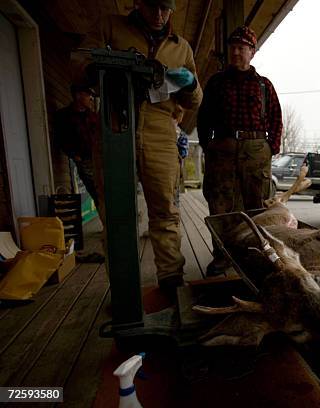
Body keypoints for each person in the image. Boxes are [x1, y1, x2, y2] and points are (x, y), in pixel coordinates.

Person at [80, 0, 203, 291]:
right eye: (152, 7)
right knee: (117, 211)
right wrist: (107, 66)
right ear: (138, 3)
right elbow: (78, 67)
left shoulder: (181, 47)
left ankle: (171, 281)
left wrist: (190, 85)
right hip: (114, 125)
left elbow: (194, 100)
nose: (158, 15)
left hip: (160, 130)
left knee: (166, 210)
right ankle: (124, 290)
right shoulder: (110, 27)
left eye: (165, 8)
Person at [197, 25, 282, 275]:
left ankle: (257, 256)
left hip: (256, 150)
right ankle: (222, 258)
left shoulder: (264, 85)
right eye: (233, 47)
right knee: (221, 206)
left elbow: (276, 118)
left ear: (252, 52)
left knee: (257, 206)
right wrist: (209, 145)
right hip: (222, 149)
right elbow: (203, 118)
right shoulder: (216, 83)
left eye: (242, 48)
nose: (236, 52)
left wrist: (270, 147)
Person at [53, 85, 100, 209]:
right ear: (78, 95)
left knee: (105, 193)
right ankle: (105, 223)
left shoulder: (93, 116)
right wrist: (74, 155)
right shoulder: (64, 116)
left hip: (98, 160)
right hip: (84, 160)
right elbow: (61, 138)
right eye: (88, 94)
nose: (91, 98)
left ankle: (109, 223)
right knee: (96, 195)